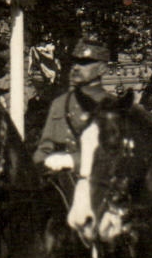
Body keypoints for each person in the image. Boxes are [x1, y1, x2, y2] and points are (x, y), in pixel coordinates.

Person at [33, 39, 112, 185]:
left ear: (102, 69)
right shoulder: (60, 103)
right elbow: (44, 148)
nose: (76, 67)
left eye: (85, 63)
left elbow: (112, 155)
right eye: (75, 62)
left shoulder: (112, 105)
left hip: (97, 184)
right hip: (58, 182)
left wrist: (72, 161)